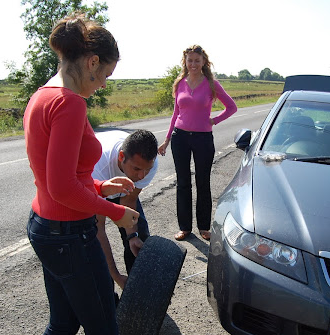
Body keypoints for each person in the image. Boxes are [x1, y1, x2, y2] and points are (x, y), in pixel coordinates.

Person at [23, 13, 138, 335]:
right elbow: (62, 186)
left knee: (62, 325)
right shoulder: (69, 104)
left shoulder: (41, 95)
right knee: (104, 334)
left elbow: (64, 174)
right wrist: (117, 212)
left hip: (46, 227)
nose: (104, 83)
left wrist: (103, 186)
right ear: (91, 62)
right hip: (70, 235)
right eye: (105, 74)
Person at [158, 44, 237, 241]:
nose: (193, 64)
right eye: (190, 60)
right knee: (183, 183)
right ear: (185, 61)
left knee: (203, 182)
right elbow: (176, 113)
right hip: (180, 137)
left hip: (203, 139)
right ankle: (184, 227)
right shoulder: (180, 83)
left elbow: (232, 107)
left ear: (204, 62)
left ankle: (204, 227)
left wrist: (214, 120)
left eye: (197, 60)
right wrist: (167, 139)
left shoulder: (211, 84)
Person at [92, 129, 159, 290]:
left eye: (146, 170)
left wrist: (133, 236)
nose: (142, 176)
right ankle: (109, 296)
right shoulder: (97, 165)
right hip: (95, 185)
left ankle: (138, 291)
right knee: (90, 247)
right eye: (136, 169)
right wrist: (116, 276)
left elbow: (129, 200)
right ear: (121, 157)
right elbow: (98, 228)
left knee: (140, 235)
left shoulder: (149, 164)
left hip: (121, 186)